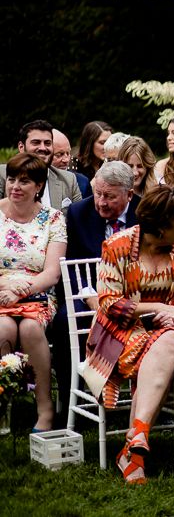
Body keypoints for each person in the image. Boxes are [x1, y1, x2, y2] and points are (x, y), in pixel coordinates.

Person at [83, 186, 174, 485]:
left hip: (170, 327)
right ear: (161, 228)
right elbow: (109, 301)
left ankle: (136, 440)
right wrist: (156, 306)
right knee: (161, 346)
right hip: (121, 330)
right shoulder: (118, 246)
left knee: (170, 338)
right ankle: (133, 449)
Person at [53, 161, 139, 418]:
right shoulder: (79, 213)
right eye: (98, 193)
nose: (101, 202)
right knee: (62, 321)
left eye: (110, 197)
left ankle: (144, 401)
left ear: (129, 195)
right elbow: (72, 265)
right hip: (89, 292)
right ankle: (72, 398)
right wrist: (93, 296)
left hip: (136, 294)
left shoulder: (144, 212)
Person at [0, 153, 66, 432]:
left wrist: (21, 291)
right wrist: (5, 288)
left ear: (39, 186)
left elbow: (53, 272)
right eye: (12, 179)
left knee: (29, 330)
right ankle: (4, 406)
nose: (15, 186)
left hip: (38, 295)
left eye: (24, 181)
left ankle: (45, 409)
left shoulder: (53, 219)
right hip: (0, 292)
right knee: (2, 329)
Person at [0, 120, 82, 213]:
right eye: (36, 142)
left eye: (47, 143)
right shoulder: (3, 174)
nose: (43, 148)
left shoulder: (68, 180)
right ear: (21, 147)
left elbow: (79, 220)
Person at [52, 129, 92, 198]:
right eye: (59, 154)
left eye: (68, 153)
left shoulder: (82, 182)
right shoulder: (33, 182)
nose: (66, 160)